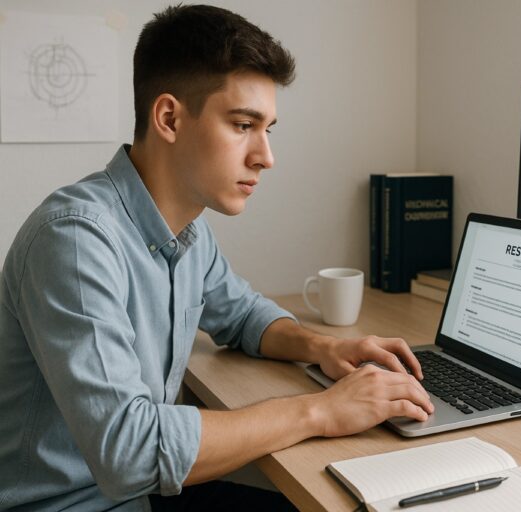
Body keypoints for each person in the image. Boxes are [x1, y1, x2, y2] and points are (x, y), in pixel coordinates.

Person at [0, 4, 433, 511]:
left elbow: (244, 315)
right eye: (243, 124)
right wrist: (320, 411)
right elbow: (131, 452)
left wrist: (323, 348)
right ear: (169, 118)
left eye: (268, 128)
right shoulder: (75, 240)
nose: (265, 156)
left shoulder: (188, 230)